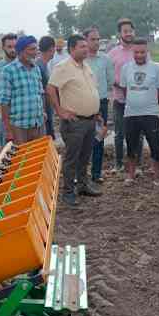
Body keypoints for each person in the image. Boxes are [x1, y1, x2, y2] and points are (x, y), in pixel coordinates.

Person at [47, 34, 103, 206]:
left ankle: (83, 186)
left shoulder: (85, 66)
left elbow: (90, 91)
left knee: (85, 155)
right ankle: (68, 192)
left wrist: (96, 112)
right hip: (74, 122)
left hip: (90, 120)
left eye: (86, 46)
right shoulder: (63, 66)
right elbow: (50, 88)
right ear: (71, 49)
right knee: (72, 158)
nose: (86, 49)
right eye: (82, 46)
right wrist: (59, 111)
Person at [119, 38, 159, 185]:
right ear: (133, 51)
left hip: (151, 113)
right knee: (131, 146)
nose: (139, 55)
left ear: (147, 51)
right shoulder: (126, 68)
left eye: (142, 52)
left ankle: (157, 178)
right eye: (136, 52)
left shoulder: (156, 68)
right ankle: (130, 176)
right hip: (131, 113)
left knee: (155, 146)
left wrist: (149, 104)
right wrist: (135, 102)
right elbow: (125, 89)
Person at [109, 18, 143, 172]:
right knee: (119, 134)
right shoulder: (113, 54)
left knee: (139, 134)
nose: (128, 34)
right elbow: (109, 77)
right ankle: (119, 164)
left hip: (138, 101)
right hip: (120, 100)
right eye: (125, 31)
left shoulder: (140, 51)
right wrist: (121, 85)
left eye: (130, 30)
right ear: (120, 34)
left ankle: (137, 165)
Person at [0, 36, 45, 144]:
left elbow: (40, 93)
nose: (35, 52)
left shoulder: (36, 68)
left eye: (36, 49)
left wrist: (42, 112)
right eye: (32, 49)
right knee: (22, 159)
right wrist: (8, 130)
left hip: (37, 124)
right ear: (21, 51)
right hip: (19, 127)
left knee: (37, 157)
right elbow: (4, 102)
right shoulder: (8, 71)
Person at [84, 27, 115, 183]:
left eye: (98, 39)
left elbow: (110, 82)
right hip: (82, 105)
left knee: (99, 137)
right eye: (93, 39)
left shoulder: (105, 60)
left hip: (101, 103)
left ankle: (96, 173)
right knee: (82, 139)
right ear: (85, 41)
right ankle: (81, 174)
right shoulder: (80, 60)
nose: (96, 42)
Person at [0, 33, 17, 145]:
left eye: (15, 46)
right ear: (3, 48)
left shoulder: (25, 65)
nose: (13, 50)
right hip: (7, 118)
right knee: (7, 153)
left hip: (24, 119)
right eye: (9, 47)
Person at [37, 35, 57, 139]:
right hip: (44, 109)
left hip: (46, 108)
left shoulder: (44, 65)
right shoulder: (39, 67)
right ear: (51, 48)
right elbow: (44, 91)